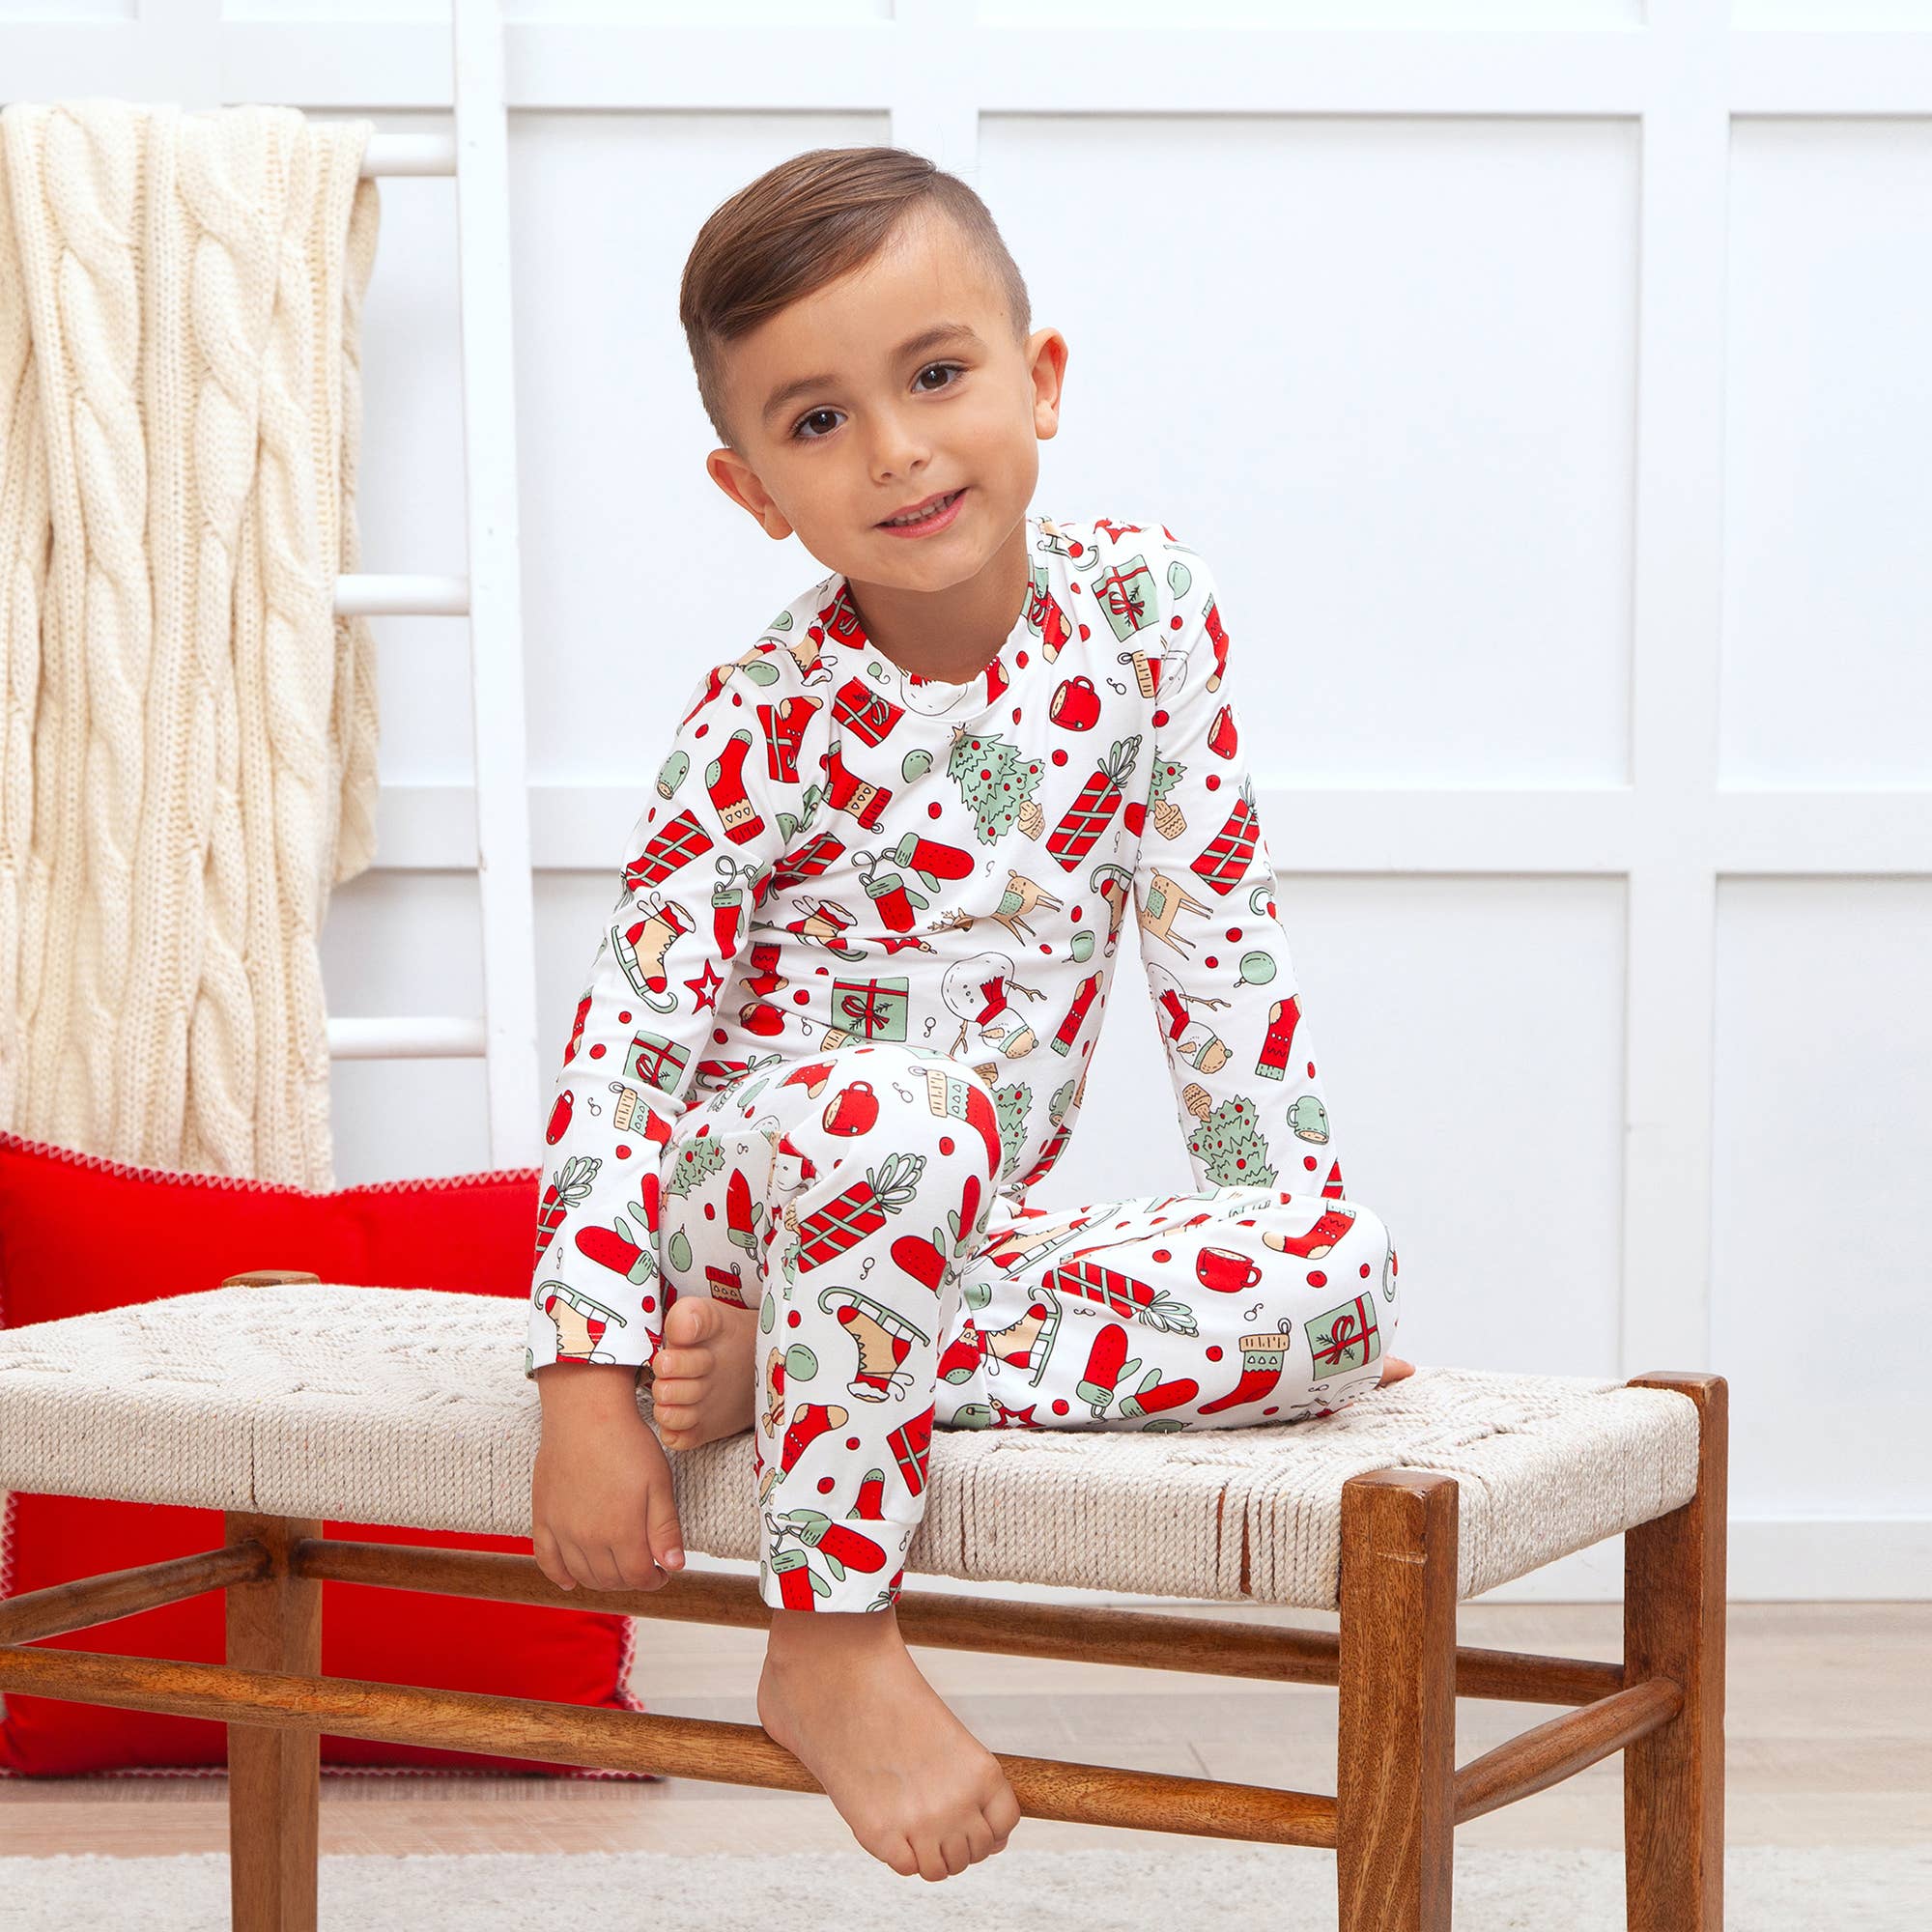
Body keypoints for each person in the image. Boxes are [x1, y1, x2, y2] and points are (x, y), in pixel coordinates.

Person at [525, 144, 1414, 1885]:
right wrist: (584, 1378)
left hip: (956, 1236)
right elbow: (628, 1044)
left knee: (1349, 1271)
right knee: (903, 1119)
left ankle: (808, 1363)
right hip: (756, 1191)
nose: (897, 449)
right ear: (753, 491)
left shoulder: (1147, 617)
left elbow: (1218, 946)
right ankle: (829, 1640)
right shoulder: (759, 722)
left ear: (1040, 380)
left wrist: (1282, 1237)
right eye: (818, 421)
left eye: (935, 376)